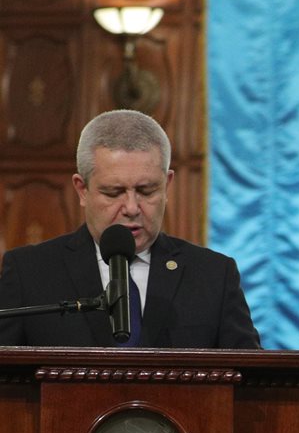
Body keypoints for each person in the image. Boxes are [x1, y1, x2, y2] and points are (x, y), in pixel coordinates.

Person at [0, 110, 260, 348]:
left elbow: (252, 386)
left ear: (167, 185)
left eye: (147, 191)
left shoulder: (214, 276)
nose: (132, 208)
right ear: (82, 189)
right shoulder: (29, 273)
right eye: (114, 193)